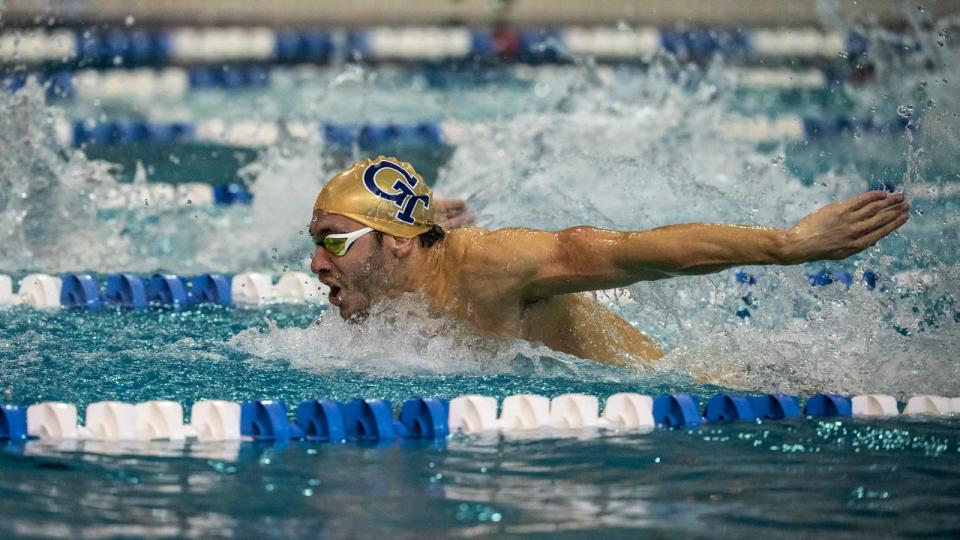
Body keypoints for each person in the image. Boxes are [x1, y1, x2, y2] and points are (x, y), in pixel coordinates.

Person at [309, 156, 910, 368]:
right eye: (314, 241)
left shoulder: (491, 267)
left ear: (397, 241)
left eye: (333, 241)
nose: (315, 264)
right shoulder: (377, 300)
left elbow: (634, 252)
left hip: (673, 386)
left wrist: (788, 244)